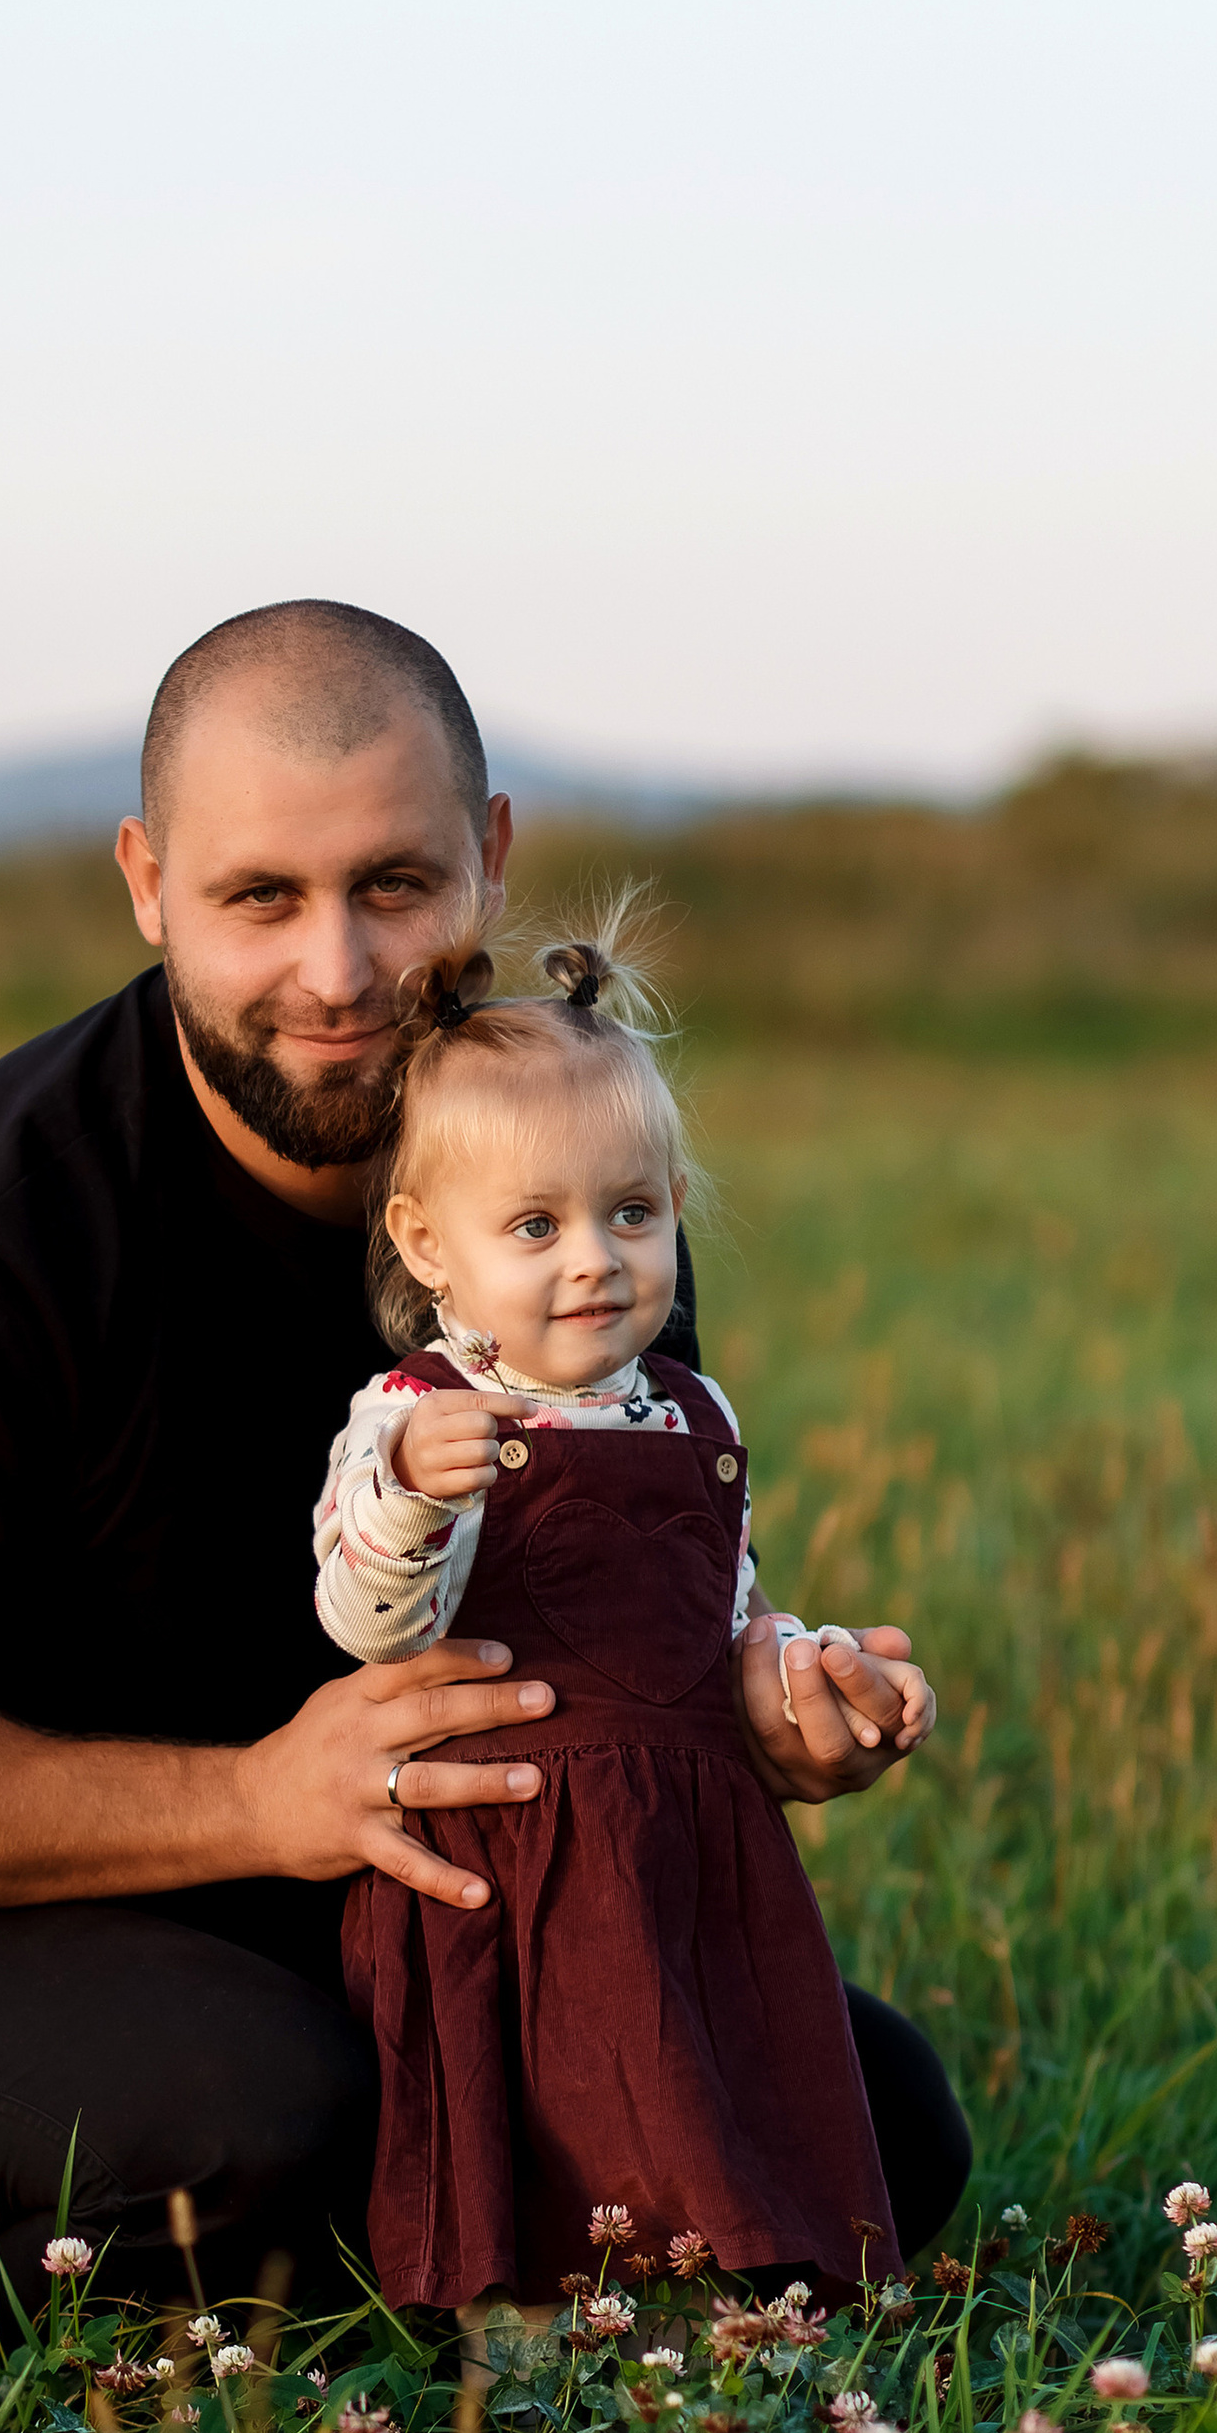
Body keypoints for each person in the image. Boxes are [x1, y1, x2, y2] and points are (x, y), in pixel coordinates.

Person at [0, 603, 969, 2309]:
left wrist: (762, 1696)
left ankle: (439, 2254)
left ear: (489, 863)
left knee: (881, 2126)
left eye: (392, 887)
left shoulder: (563, 1213)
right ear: (146, 883)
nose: (333, 973)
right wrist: (256, 1798)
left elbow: (612, 1607)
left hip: (344, 1884)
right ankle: (317, 2273)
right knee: (269, 2122)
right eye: (259, 897)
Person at [314, 920, 931, 2314]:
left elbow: (720, 1613)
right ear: (429, 1246)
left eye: (632, 1214)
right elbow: (363, 1618)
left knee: (701, 2079)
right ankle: (528, 2358)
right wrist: (411, 1492)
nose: (593, 1259)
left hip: (681, 1842)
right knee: (542, 2100)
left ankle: (730, 2337)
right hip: (511, 1833)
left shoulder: (690, 1409)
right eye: (535, 1227)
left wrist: (800, 1667)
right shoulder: (420, 1414)